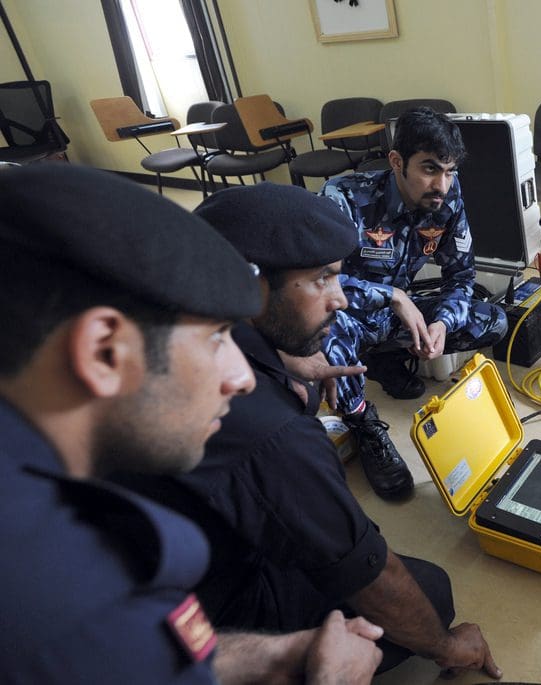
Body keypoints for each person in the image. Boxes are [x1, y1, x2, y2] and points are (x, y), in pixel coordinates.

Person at [0, 164, 382, 684]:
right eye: (216, 337)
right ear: (104, 351)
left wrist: (272, 656)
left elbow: (144, 653)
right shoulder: (60, 610)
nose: (241, 378)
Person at [120, 183, 503, 680]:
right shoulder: (270, 431)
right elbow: (365, 570)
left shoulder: (156, 324)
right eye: (322, 279)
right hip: (204, 623)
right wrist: (446, 645)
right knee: (428, 591)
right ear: (248, 283)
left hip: (146, 581)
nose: (339, 299)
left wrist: (281, 366)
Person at [318, 107, 508, 497]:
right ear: (396, 161)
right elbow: (319, 283)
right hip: (348, 314)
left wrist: (441, 324)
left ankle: (383, 360)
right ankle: (363, 424)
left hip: (395, 318)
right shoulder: (344, 196)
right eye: (430, 169)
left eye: (450, 171)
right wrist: (393, 295)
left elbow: (461, 277)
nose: (442, 184)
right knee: (327, 329)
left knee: (491, 319)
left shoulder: (447, 197)